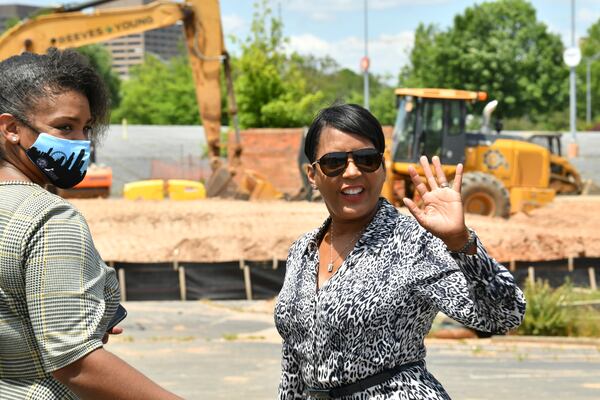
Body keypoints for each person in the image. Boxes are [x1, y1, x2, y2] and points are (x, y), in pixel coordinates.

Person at [275, 103, 526, 399]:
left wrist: (462, 242)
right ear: (313, 174)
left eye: (367, 159)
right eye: (335, 162)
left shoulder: (411, 243)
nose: (353, 171)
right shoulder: (303, 251)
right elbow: (293, 364)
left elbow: (503, 315)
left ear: (381, 168)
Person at [0, 49, 181, 399]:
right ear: (11, 128)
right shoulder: (49, 217)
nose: (82, 142)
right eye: (65, 127)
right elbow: (74, 362)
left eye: (86, 128)